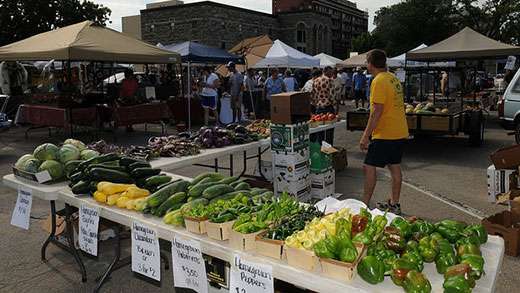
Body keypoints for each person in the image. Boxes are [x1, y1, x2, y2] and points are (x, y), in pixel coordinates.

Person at [360, 49, 409, 215]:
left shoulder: (378, 81)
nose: (366, 65)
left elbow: (376, 111)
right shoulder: (392, 78)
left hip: (385, 132)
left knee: (369, 166)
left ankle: (364, 204)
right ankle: (395, 204)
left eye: (367, 62)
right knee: (394, 166)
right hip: (399, 130)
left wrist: (366, 135)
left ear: (371, 64)